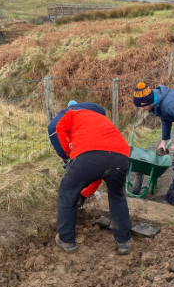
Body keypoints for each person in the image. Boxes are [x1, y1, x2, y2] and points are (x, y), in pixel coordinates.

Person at [50, 101, 133, 254]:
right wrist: (84, 192)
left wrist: (65, 156)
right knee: (117, 196)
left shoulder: (71, 112)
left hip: (88, 156)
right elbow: (100, 171)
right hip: (120, 156)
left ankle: (66, 240)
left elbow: (54, 128)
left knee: (66, 191)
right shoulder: (100, 119)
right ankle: (125, 241)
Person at [48, 100, 102, 208]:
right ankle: (76, 196)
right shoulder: (68, 122)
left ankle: (80, 195)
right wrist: (66, 156)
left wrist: (65, 156)